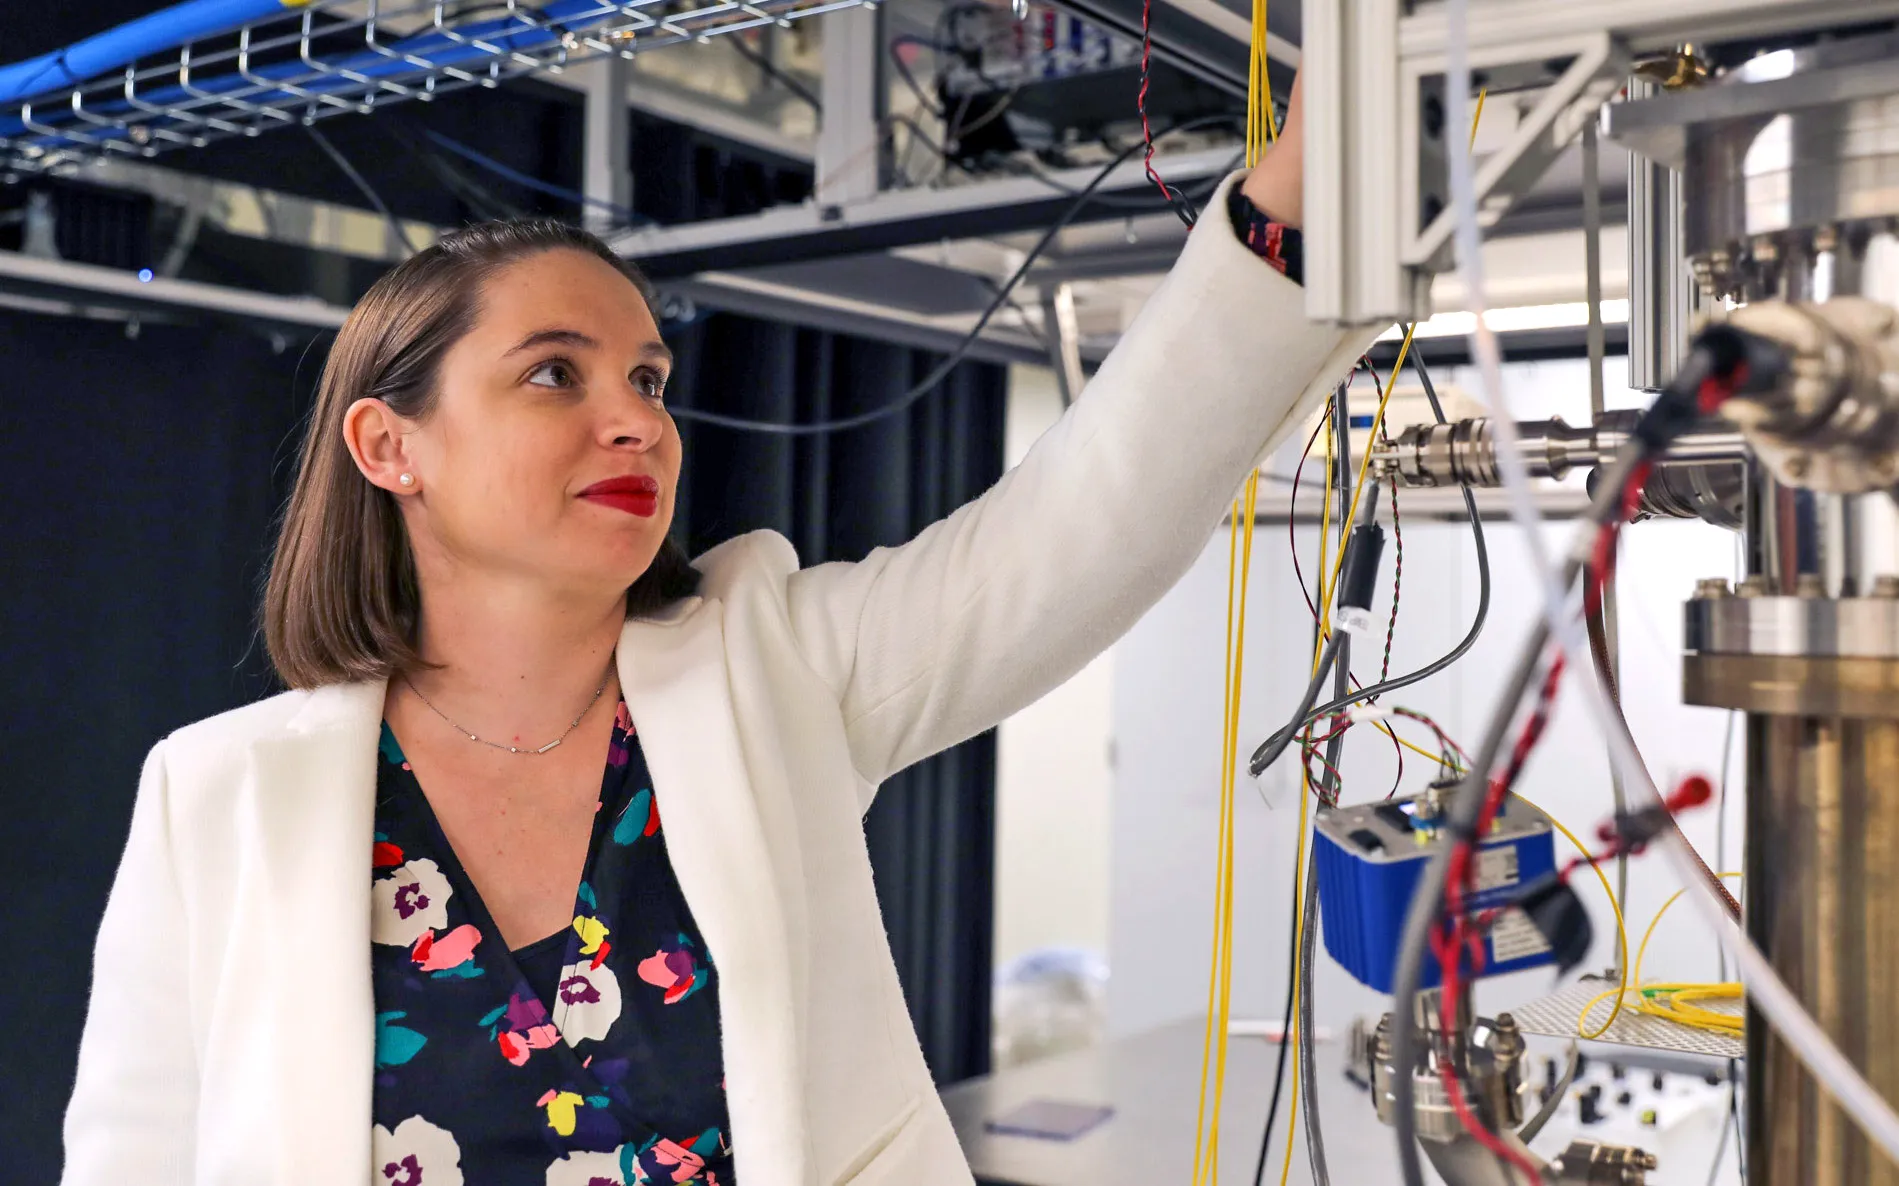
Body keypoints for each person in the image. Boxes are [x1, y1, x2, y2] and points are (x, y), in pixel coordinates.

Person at [63, 76, 1366, 1186]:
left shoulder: (778, 668)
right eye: (553, 373)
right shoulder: (217, 789)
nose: (633, 418)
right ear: (389, 443)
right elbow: (130, 1156)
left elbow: (1086, 526)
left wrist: (1293, 199)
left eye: (647, 379)